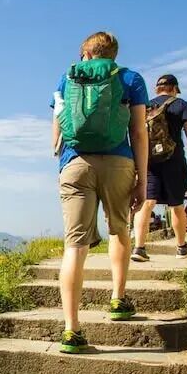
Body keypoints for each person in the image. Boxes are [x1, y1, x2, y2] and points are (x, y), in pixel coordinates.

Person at [51, 32, 148, 354]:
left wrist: (61, 158)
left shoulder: (68, 79)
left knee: (74, 246)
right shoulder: (130, 79)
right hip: (119, 162)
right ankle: (118, 300)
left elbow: (58, 130)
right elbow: (138, 131)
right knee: (119, 228)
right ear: (113, 54)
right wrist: (142, 178)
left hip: (75, 164)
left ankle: (71, 330)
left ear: (86, 53)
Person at [131, 75, 187, 261]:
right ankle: (181, 246)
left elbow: (136, 132)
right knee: (176, 204)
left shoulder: (146, 106)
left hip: (149, 161)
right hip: (174, 160)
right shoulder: (182, 106)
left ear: (157, 89)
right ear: (174, 88)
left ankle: (139, 248)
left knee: (147, 203)